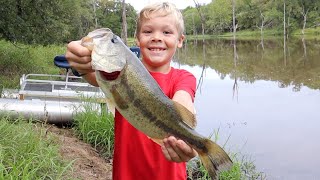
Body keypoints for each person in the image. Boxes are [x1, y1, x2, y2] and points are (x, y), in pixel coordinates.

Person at [65, 2, 197, 179]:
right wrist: (79, 61)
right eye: (148, 31)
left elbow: (184, 103)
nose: (156, 37)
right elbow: (91, 74)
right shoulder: (117, 72)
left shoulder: (183, 77)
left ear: (180, 40)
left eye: (166, 32)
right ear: (137, 38)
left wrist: (190, 140)